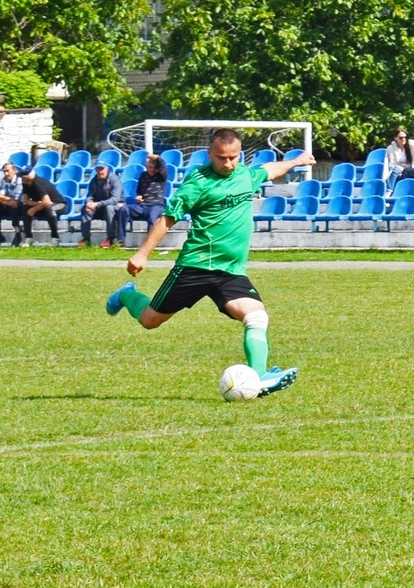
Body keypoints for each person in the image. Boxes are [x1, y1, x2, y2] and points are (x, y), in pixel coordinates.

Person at [105, 128, 314, 398]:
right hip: (196, 266)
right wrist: (143, 253)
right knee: (150, 321)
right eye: (221, 158)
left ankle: (259, 377)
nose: (227, 164)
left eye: (233, 157)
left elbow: (270, 169)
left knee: (257, 316)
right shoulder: (198, 182)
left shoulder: (245, 175)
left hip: (230, 271)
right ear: (209, 154)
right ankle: (126, 295)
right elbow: (168, 218)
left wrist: (296, 161)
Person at [78, 163, 126, 248]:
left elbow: (115, 199)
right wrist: (89, 203)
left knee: (109, 208)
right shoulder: (94, 180)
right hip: (100, 206)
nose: (100, 171)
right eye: (98, 169)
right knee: (85, 209)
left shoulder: (114, 179)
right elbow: (90, 195)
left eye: (102, 169)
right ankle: (86, 238)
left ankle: (111, 238)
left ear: (107, 169)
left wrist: (97, 204)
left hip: (116, 206)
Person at [19, 166, 69, 244]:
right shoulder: (25, 184)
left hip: (59, 204)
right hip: (43, 206)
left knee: (50, 208)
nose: (21, 179)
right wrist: (38, 204)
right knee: (25, 208)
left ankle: (55, 237)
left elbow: (47, 202)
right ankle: (28, 237)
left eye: (22, 177)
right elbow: (26, 200)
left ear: (27, 178)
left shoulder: (38, 183)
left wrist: (34, 209)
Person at [127, 155, 169, 242]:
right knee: (124, 209)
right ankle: (120, 240)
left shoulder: (161, 176)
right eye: (150, 167)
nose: (152, 169)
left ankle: (150, 242)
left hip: (156, 205)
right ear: (147, 166)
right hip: (143, 205)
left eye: (154, 167)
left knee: (152, 216)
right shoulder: (143, 176)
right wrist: (139, 196)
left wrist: (150, 155)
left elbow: (162, 163)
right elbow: (139, 191)